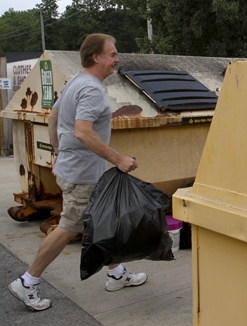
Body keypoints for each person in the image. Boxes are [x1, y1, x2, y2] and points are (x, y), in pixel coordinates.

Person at [8, 33, 146, 311]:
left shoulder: (76, 81)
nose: (116, 60)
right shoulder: (92, 89)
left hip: (73, 168)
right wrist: (118, 158)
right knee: (68, 227)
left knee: (103, 221)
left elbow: (53, 116)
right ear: (96, 57)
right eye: (112, 55)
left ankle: (117, 273)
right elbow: (83, 131)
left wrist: (57, 151)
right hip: (82, 174)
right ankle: (27, 281)